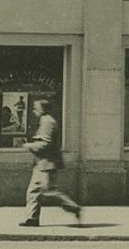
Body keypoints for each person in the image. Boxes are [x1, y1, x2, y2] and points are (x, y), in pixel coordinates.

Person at [18, 97, 82, 227]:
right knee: (33, 191)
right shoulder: (44, 120)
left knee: (48, 191)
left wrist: (28, 146)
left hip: (47, 163)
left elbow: (45, 144)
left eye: (36, 108)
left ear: (42, 109)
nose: (34, 110)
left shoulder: (47, 122)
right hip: (41, 163)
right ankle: (32, 218)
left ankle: (73, 207)